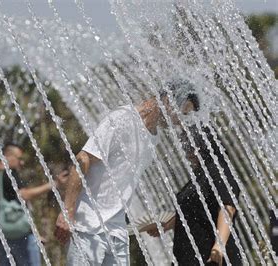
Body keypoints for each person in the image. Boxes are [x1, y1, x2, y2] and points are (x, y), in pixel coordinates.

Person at [54, 90, 200, 265]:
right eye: (182, 112)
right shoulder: (123, 119)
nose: (179, 120)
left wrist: (149, 223)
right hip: (88, 226)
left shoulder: (154, 137)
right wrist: (68, 210)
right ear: (167, 100)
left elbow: (124, 185)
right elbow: (82, 159)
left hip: (117, 231)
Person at [147, 125, 241, 265]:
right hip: (189, 255)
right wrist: (166, 226)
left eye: (189, 146)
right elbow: (191, 210)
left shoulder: (219, 170)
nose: (186, 152)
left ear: (202, 145)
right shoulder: (200, 175)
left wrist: (219, 245)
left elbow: (228, 207)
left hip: (211, 256)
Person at [0, 143, 67, 266]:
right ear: (8, 156)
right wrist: (54, 184)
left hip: (2, 241)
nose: (22, 163)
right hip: (23, 239)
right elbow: (24, 195)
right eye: (19, 159)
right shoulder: (10, 175)